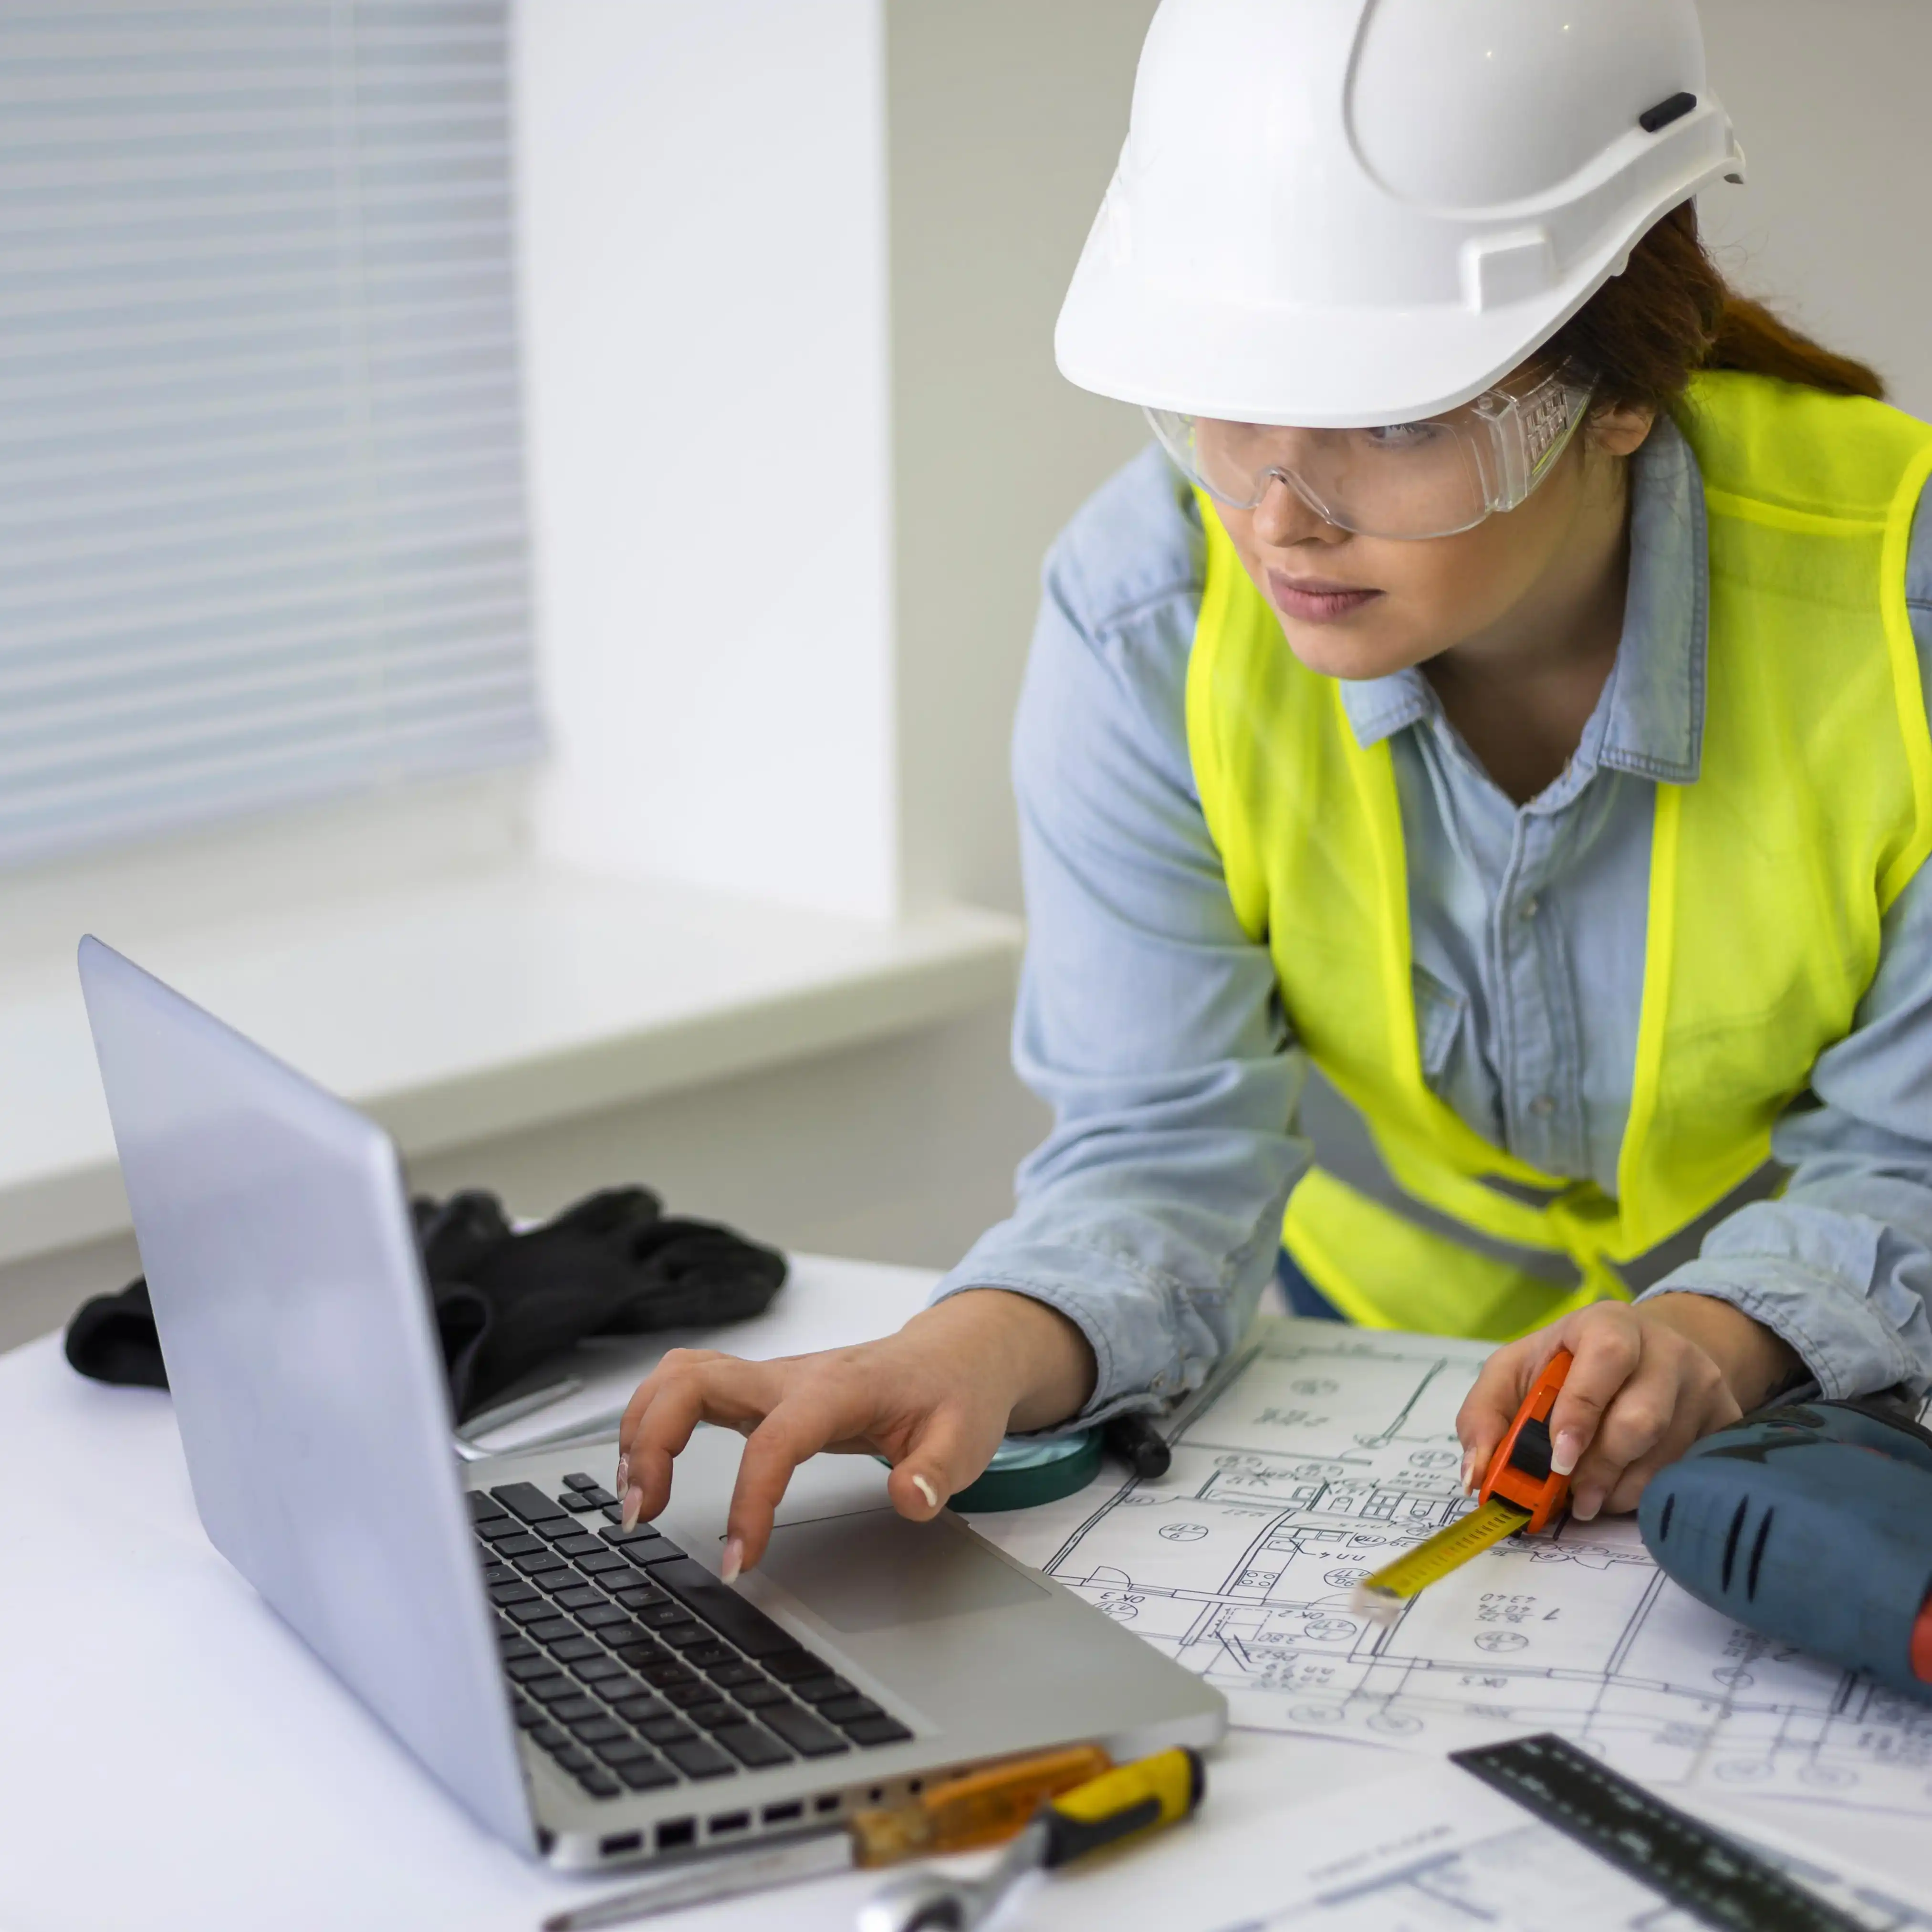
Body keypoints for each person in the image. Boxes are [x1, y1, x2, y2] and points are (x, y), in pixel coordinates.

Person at [616, 0, 1932, 1581]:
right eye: (1228, 398)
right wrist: (968, 1346)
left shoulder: (1899, 607)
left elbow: (1912, 1160)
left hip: (1824, 1432)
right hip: (1359, 1414)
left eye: (1390, 418)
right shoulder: (1145, 611)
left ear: (1622, 390)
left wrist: (1714, 1340)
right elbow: (1159, 1150)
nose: (1281, 514)